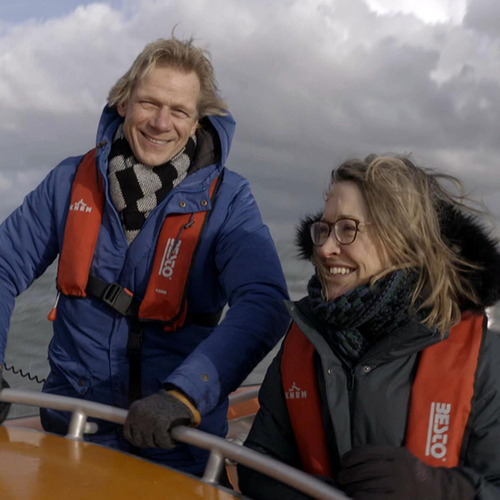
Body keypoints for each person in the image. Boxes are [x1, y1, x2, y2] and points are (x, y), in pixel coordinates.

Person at [0, 37, 289, 475]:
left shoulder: (229, 200)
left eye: (178, 111)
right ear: (122, 102)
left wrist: (187, 395)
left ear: (197, 123)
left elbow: (264, 302)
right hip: (73, 434)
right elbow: (4, 265)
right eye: (148, 103)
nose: (160, 123)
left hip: (176, 445)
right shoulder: (68, 181)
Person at [238, 155, 500, 499]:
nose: (326, 248)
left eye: (348, 229)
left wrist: (435, 488)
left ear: (404, 240)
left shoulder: (482, 357)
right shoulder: (306, 338)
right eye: (325, 229)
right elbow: (258, 464)